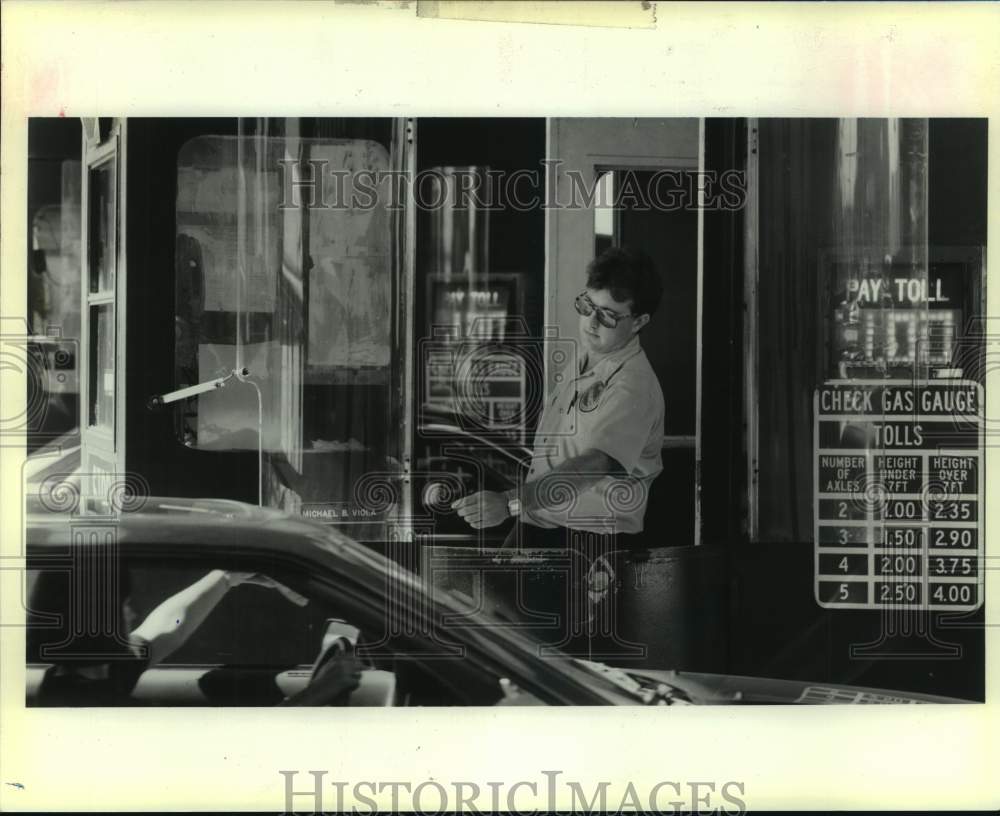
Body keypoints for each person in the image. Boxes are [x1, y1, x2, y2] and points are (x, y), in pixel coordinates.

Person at [451, 247, 664, 650]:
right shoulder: (587, 358)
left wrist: (511, 503)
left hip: (587, 548)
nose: (590, 321)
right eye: (588, 304)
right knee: (505, 651)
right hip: (541, 529)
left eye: (608, 315)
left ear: (640, 322)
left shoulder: (632, 384)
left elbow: (591, 465)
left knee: (556, 667)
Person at [27, 568, 361, 706]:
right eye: (122, 608)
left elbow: (165, 629)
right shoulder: (82, 706)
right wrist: (318, 692)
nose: (131, 615)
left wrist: (226, 577)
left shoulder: (96, 673)